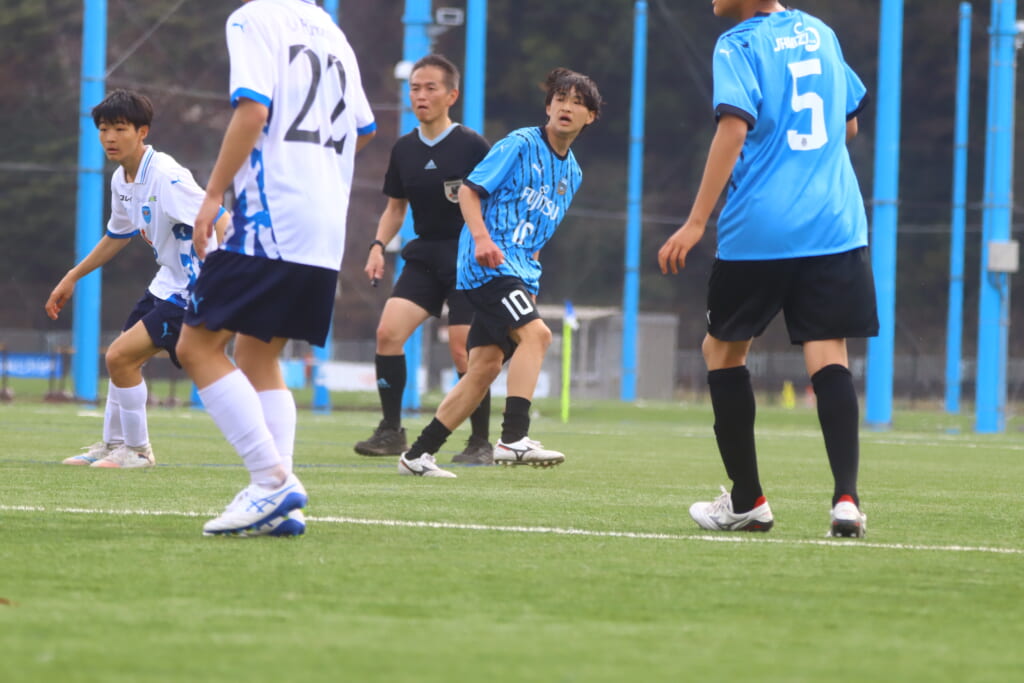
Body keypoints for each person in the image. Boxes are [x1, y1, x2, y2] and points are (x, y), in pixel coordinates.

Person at [657, 0, 876, 538]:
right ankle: (846, 500)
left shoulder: (738, 43)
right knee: (829, 353)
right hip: (834, 221)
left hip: (762, 225)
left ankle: (747, 500)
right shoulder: (820, 32)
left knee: (722, 351)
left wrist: (696, 221)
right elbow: (847, 125)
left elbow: (733, 130)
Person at [175, 0, 375, 537]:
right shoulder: (333, 33)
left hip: (272, 215)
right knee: (257, 354)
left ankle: (270, 479)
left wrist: (213, 194)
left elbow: (254, 111)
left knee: (196, 347)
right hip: (324, 228)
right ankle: (281, 502)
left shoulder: (253, 17)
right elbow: (363, 128)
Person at [398, 67, 602, 478]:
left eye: (577, 102)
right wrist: (481, 240)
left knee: (484, 368)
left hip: (518, 272)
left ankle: (417, 455)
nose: (566, 107)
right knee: (538, 335)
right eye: (560, 99)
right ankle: (513, 438)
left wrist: (530, 272)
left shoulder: (573, 174)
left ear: (590, 117)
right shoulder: (520, 143)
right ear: (548, 107)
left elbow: (540, 229)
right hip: (487, 266)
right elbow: (469, 191)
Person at [46, 89, 229, 469]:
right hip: (168, 281)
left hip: (194, 289)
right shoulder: (122, 179)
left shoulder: (166, 176)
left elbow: (221, 217)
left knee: (120, 357)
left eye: (120, 128)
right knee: (121, 358)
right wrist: (72, 276)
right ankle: (114, 444)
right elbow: (118, 235)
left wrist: (232, 279)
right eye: (103, 129)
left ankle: (139, 451)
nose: (109, 137)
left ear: (142, 131)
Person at [354, 54, 493, 464]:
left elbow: (496, 201)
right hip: (425, 255)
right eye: (415, 88)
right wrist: (377, 245)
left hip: (468, 257)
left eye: (431, 88)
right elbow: (395, 208)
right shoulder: (404, 148)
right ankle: (391, 430)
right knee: (388, 334)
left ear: (452, 95)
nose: (421, 95)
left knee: (465, 350)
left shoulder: (472, 145)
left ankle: (480, 442)